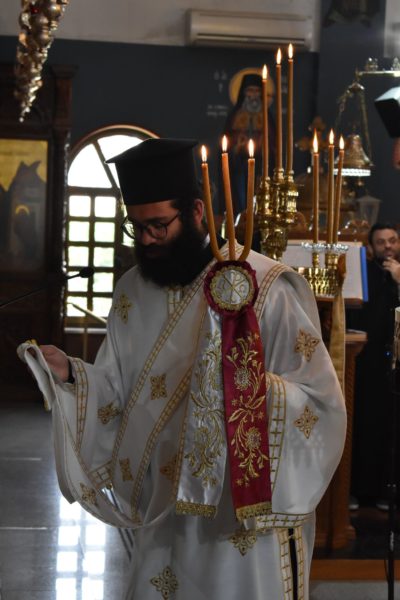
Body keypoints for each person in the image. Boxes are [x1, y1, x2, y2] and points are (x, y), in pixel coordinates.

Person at [19, 138, 346, 599]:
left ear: (196, 211)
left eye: (158, 225)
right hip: (163, 507)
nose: (146, 240)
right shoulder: (132, 290)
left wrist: (243, 391)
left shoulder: (265, 284)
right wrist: (72, 375)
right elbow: (117, 391)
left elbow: (319, 403)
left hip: (238, 514)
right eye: (137, 227)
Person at [350, 222, 400, 510]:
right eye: (381, 242)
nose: (388, 246)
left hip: (394, 364)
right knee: (365, 425)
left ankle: (386, 492)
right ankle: (359, 490)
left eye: (392, 240)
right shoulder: (364, 274)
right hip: (367, 363)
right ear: (371, 247)